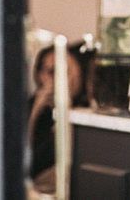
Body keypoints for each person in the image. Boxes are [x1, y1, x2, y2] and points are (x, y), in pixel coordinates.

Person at [28, 41, 91, 193]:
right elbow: (21, 161)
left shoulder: (86, 112)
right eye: (48, 71)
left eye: (63, 71)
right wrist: (36, 110)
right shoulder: (35, 106)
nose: (56, 80)